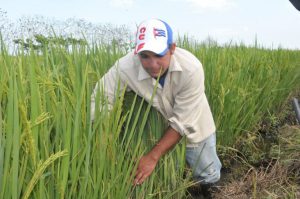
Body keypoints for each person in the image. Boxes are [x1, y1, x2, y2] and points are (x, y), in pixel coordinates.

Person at [90, 18, 222, 196]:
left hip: (195, 124)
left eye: (159, 55)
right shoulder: (125, 67)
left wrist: (152, 157)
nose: (152, 65)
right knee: (171, 170)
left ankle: (211, 190)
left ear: (172, 48)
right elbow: (102, 97)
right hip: (162, 126)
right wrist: (104, 133)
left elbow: (182, 122)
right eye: (145, 56)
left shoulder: (191, 68)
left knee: (207, 172)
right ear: (137, 52)